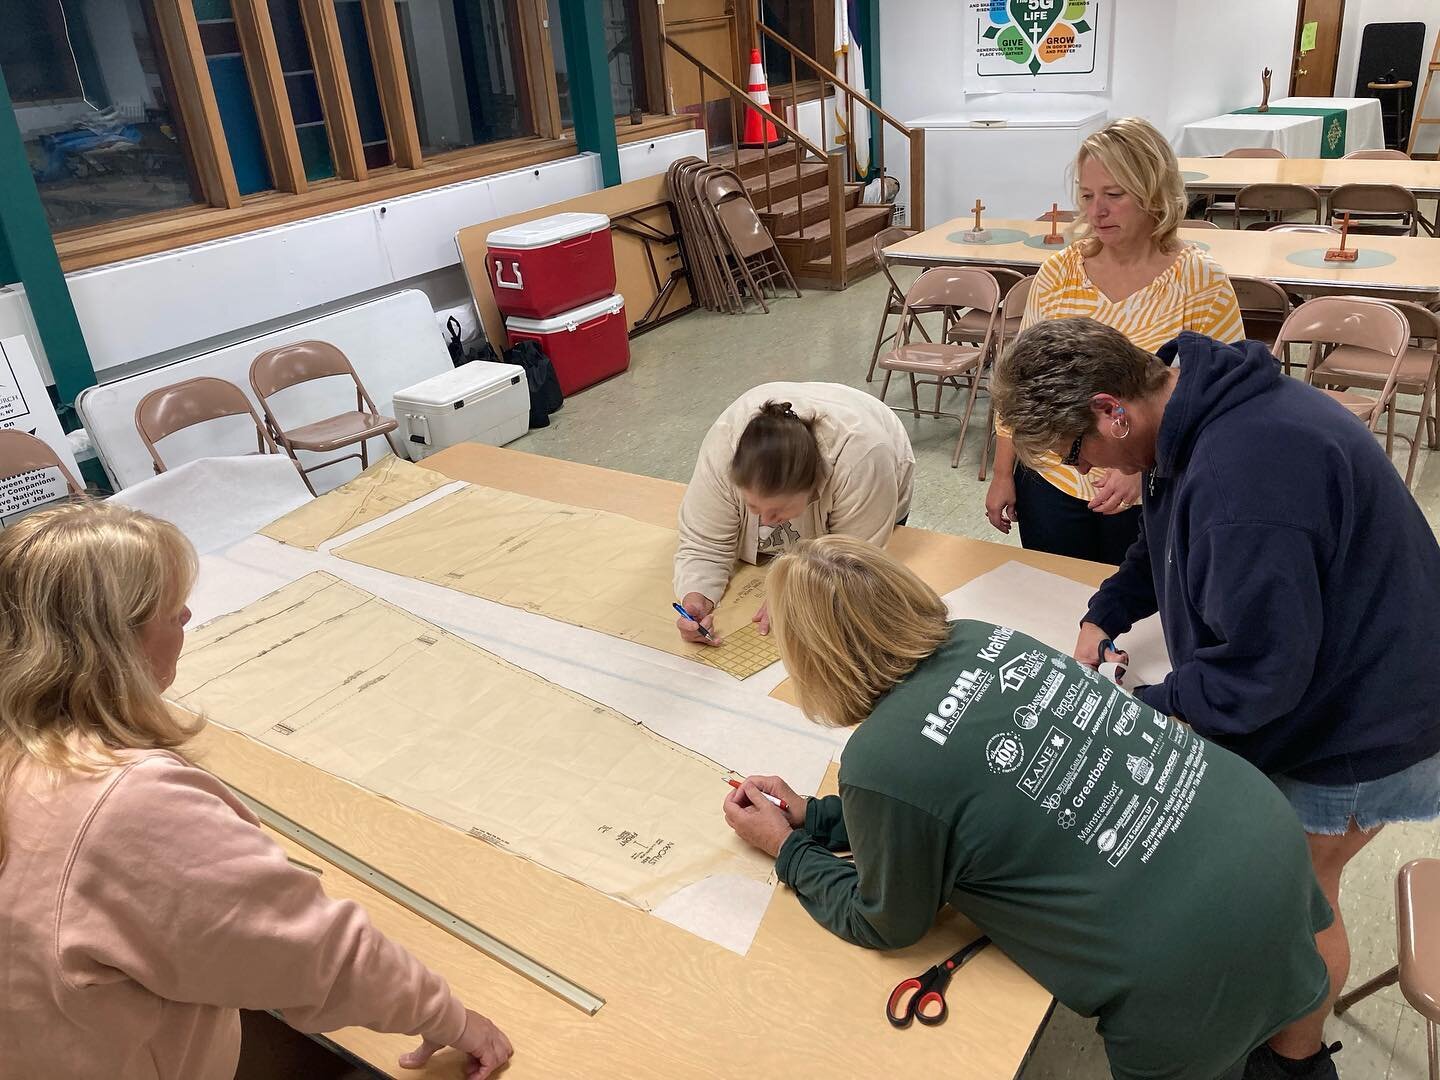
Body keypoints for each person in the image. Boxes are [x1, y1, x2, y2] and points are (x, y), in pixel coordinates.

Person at [992, 317, 1440, 1080]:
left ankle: (1296, 1062)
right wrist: (1105, 610)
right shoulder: (1188, 405)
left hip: (1375, 722)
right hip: (1350, 671)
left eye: (1076, 454)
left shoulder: (1245, 473)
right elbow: (1164, 541)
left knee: (1299, 903)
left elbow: (1258, 675)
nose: (1083, 468)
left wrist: (1143, 712)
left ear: (1110, 411)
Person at [722, 535, 1330, 1080]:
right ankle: (1297, 1067)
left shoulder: (877, 760)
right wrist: (822, 817)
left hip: (1182, 957)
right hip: (1261, 832)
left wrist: (788, 849)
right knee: (1288, 989)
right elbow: (952, 798)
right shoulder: (983, 638)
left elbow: (887, 921)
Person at [0, 501, 513, 1080]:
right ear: (119, 643)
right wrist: (448, 1016)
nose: (189, 616)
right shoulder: (125, 805)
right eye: (172, 612)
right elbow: (314, 953)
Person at [985, 116, 1243, 564]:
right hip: (1052, 478)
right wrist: (1003, 470)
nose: (1096, 211)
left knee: (1136, 614)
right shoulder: (1060, 273)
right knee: (1054, 595)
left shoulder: (1198, 280)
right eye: (1087, 196)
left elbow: (1221, 399)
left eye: (1114, 195)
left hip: (1147, 488)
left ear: (1153, 193)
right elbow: (1022, 388)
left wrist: (1144, 464)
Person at [674, 381, 914, 642]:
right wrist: (696, 595)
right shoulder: (723, 451)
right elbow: (704, 544)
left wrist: (796, 594)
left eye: (778, 511)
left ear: (813, 487)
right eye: (753, 507)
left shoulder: (862, 460)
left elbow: (851, 563)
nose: (766, 521)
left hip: (879, 462)